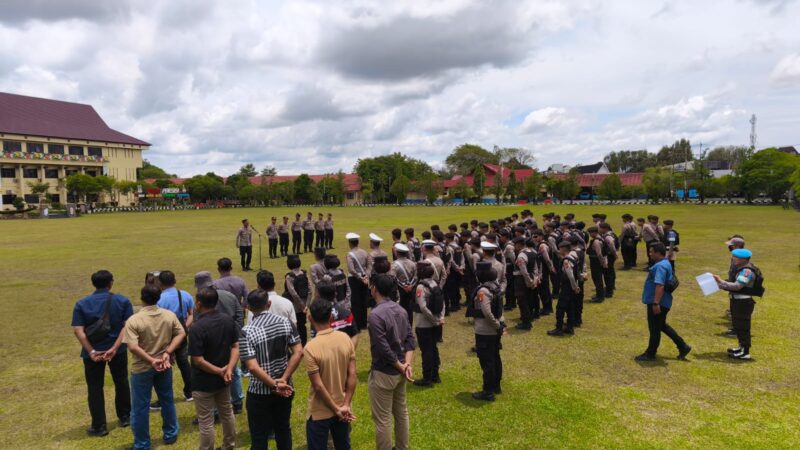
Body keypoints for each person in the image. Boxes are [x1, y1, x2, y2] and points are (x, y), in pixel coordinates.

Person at [72, 270, 133, 437]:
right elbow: (127, 327)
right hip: (117, 350)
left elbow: (78, 330)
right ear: (110, 283)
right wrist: (114, 348)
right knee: (121, 381)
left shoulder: (81, 304)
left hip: (93, 352)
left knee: (94, 387)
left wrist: (91, 351)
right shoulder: (122, 301)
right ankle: (125, 416)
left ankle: (99, 426)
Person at [240, 289, 303, 450]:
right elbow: (298, 352)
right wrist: (284, 379)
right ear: (268, 304)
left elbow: (252, 366)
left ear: (248, 308)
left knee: (259, 436)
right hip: (285, 387)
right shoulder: (285, 322)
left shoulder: (247, 332)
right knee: (283, 430)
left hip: (259, 391)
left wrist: (273, 385)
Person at [125, 284, 185, 450]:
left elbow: (132, 347)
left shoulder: (134, 320)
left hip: (142, 368)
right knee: (167, 400)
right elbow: (181, 333)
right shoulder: (168, 315)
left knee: (140, 407)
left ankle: (142, 443)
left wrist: (151, 360)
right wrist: (168, 352)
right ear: (158, 297)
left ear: (141, 297)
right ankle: (171, 434)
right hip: (164, 364)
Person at [367, 274, 416, 450]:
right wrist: (406, 364)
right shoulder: (401, 310)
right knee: (401, 413)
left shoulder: (375, 315)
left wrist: (401, 365)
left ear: (375, 289)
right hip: (401, 371)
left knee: (383, 419)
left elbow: (383, 348)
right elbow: (410, 339)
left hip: (385, 371)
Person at [188, 287, 240, 450]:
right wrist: (229, 369)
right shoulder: (228, 320)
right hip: (224, 379)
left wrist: (220, 371)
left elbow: (198, 360)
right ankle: (229, 445)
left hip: (203, 381)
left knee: (206, 421)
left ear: (198, 304)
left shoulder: (197, 328)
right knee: (227, 413)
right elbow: (235, 346)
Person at [304, 299, 357, 450]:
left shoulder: (310, 347)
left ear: (310, 319)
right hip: (342, 406)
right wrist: (345, 405)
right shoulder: (345, 339)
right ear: (331, 317)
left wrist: (335, 409)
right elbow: (352, 374)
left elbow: (318, 386)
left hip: (319, 411)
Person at [635, 243, 692, 361]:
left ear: (658, 253)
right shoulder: (666, 262)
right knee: (661, 326)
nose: (650, 254)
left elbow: (660, 285)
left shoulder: (660, 266)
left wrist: (656, 303)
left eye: (651, 252)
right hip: (664, 300)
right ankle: (683, 346)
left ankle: (650, 353)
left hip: (658, 302)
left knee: (655, 329)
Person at [714, 248, 763, 360]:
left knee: (743, 327)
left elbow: (737, 286)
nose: (733, 259)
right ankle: (741, 348)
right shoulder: (740, 268)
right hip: (737, 301)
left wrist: (721, 282)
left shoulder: (747, 272)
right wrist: (720, 285)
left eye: (736, 257)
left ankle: (745, 352)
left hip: (743, 303)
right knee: (738, 326)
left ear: (744, 259)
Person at [154, 271, 194, 404]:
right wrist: (184, 328)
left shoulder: (159, 299)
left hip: (165, 335)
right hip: (182, 334)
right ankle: (190, 391)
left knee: (164, 364)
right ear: (175, 281)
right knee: (184, 363)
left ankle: (164, 397)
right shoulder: (184, 294)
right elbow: (191, 314)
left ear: (160, 283)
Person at [470, 261, 506, 402]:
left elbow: (486, 312)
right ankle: (496, 386)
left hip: (485, 331)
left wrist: (497, 325)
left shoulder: (483, 291)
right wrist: (500, 325)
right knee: (495, 358)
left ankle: (488, 391)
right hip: (494, 330)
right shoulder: (495, 287)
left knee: (487, 361)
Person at [413, 261, 445, 387]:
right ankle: (435, 375)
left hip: (424, 324)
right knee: (433, 349)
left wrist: (433, 320)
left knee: (426, 351)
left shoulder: (421, 287)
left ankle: (427, 378)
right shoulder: (435, 284)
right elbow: (442, 303)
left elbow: (423, 307)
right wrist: (439, 318)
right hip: (436, 322)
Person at [548, 242, 580, 337]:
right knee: (570, 307)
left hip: (567, 287)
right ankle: (570, 327)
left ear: (563, 248)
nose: (559, 250)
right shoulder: (573, 257)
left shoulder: (566, 261)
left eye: (560, 248)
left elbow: (570, 275)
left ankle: (559, 328)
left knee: (560, 308)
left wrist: (575, 287)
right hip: (570, 287)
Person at [284, 254, 311, 346]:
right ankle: (304, 343)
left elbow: (293, 293)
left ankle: (297, 344)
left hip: (294, 306)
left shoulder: (289, 277)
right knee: (302, 325)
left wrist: (302, 305)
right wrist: (306, 305)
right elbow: (310, 291)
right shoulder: (304, 274)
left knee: (294, 325)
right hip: (304, 306)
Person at [345, 233, 370, 330]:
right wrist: (366, 276)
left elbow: (351, 269)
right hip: (365, 278)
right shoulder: (364, 252)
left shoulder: (350, 254)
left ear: (350, 243)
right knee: (363, 300)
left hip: (354, 279)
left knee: (355, 301)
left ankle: (357, 324)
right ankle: (364, 323)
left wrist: (360, 277)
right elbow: (369, 266)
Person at [512, 237, 536, 330]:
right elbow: (535, 268)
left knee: (522, 301)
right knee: (529, 300)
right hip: (531, 278)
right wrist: (534, 280)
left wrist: (529, 281)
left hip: (522, 280)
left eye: (515, 245)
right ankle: (528, 318)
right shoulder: (532, 252)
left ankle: (526, 323)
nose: (514, 247)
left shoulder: (521, 255)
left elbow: (524, 271)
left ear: (519, 245)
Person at [392, 243, 418, 325]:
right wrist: (411, 285)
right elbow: (416, 277)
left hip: (400, 290)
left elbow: (393, 278)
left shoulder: (394, 264)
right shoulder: (412, 263)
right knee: (409, 309)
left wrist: (403, 286)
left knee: (400, 308)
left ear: (397, 253)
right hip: (411, 289)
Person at [587, 226, 607, 303]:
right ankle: (599, 294)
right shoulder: (600, 238)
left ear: (594, 232)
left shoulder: (596, 241)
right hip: (596, 261)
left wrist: (602, 263)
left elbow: (599, 254)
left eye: (590, 233)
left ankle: (600, 297)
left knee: (597, 279)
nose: (590, 235)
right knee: (597, 278)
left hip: (596, 261)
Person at [598, 222, 617, 298]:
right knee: (611, 271)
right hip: (610, 255)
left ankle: (609, 291)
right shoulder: (611, 233)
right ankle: (611, 286)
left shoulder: (607, 236)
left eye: (600, 228)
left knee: (607, 273)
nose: (599, 229)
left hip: (609, 256)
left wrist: (614, 254)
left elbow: (611, 245)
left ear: (605, 228)